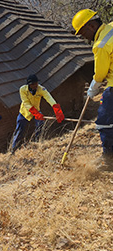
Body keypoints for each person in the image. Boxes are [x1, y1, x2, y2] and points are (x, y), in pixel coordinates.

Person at [72, 9, 113, 169]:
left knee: (104, 121)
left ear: (90, 26)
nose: (83, 37)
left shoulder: (100, 44)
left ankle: (109, 159)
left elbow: (100, 73)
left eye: (82, 33)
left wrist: (93, 87)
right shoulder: (111, 27)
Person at [11, 74, 65, 152]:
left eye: (36, 83)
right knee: (19, 130)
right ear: (30, 85)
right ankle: (14, 148)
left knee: (40, 125)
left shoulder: (41, 89)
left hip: (37, 110)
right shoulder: (22, 89)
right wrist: (35, 113)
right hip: (24, 112)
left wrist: (57, 110)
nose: (36, 85)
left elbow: (49, 98)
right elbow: (26, 103)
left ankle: (37, 144)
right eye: (34, 84)